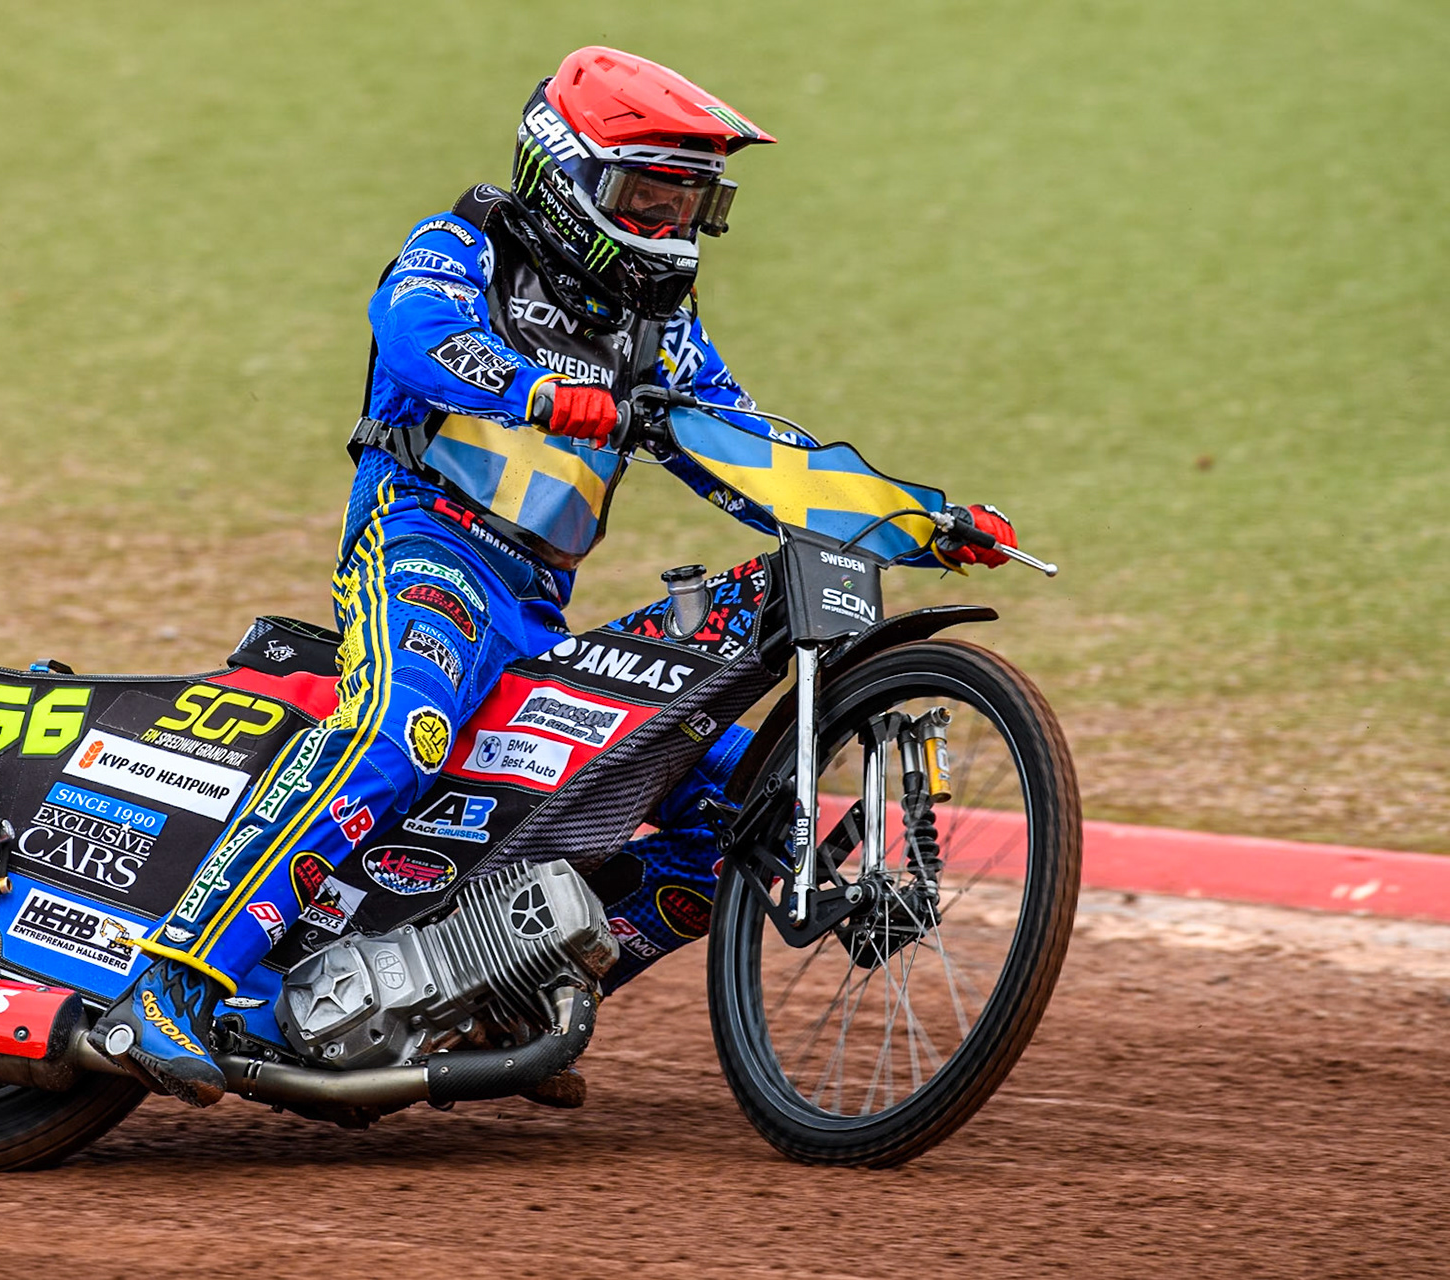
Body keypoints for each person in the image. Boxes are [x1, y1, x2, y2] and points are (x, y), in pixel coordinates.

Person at [113, 47, 1019, 1105]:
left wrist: (918, 520)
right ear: (564, 177)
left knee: (750, 806)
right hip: (423, 549)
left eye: (690, 202)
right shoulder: (464, 245)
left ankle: (501, 998)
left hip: (538, 612)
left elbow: (751, 452)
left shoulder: (659, 328)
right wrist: (537, 391)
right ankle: (175, 975)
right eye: (647, 195)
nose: (670, 223)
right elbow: (415, 336)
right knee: (402, 732)